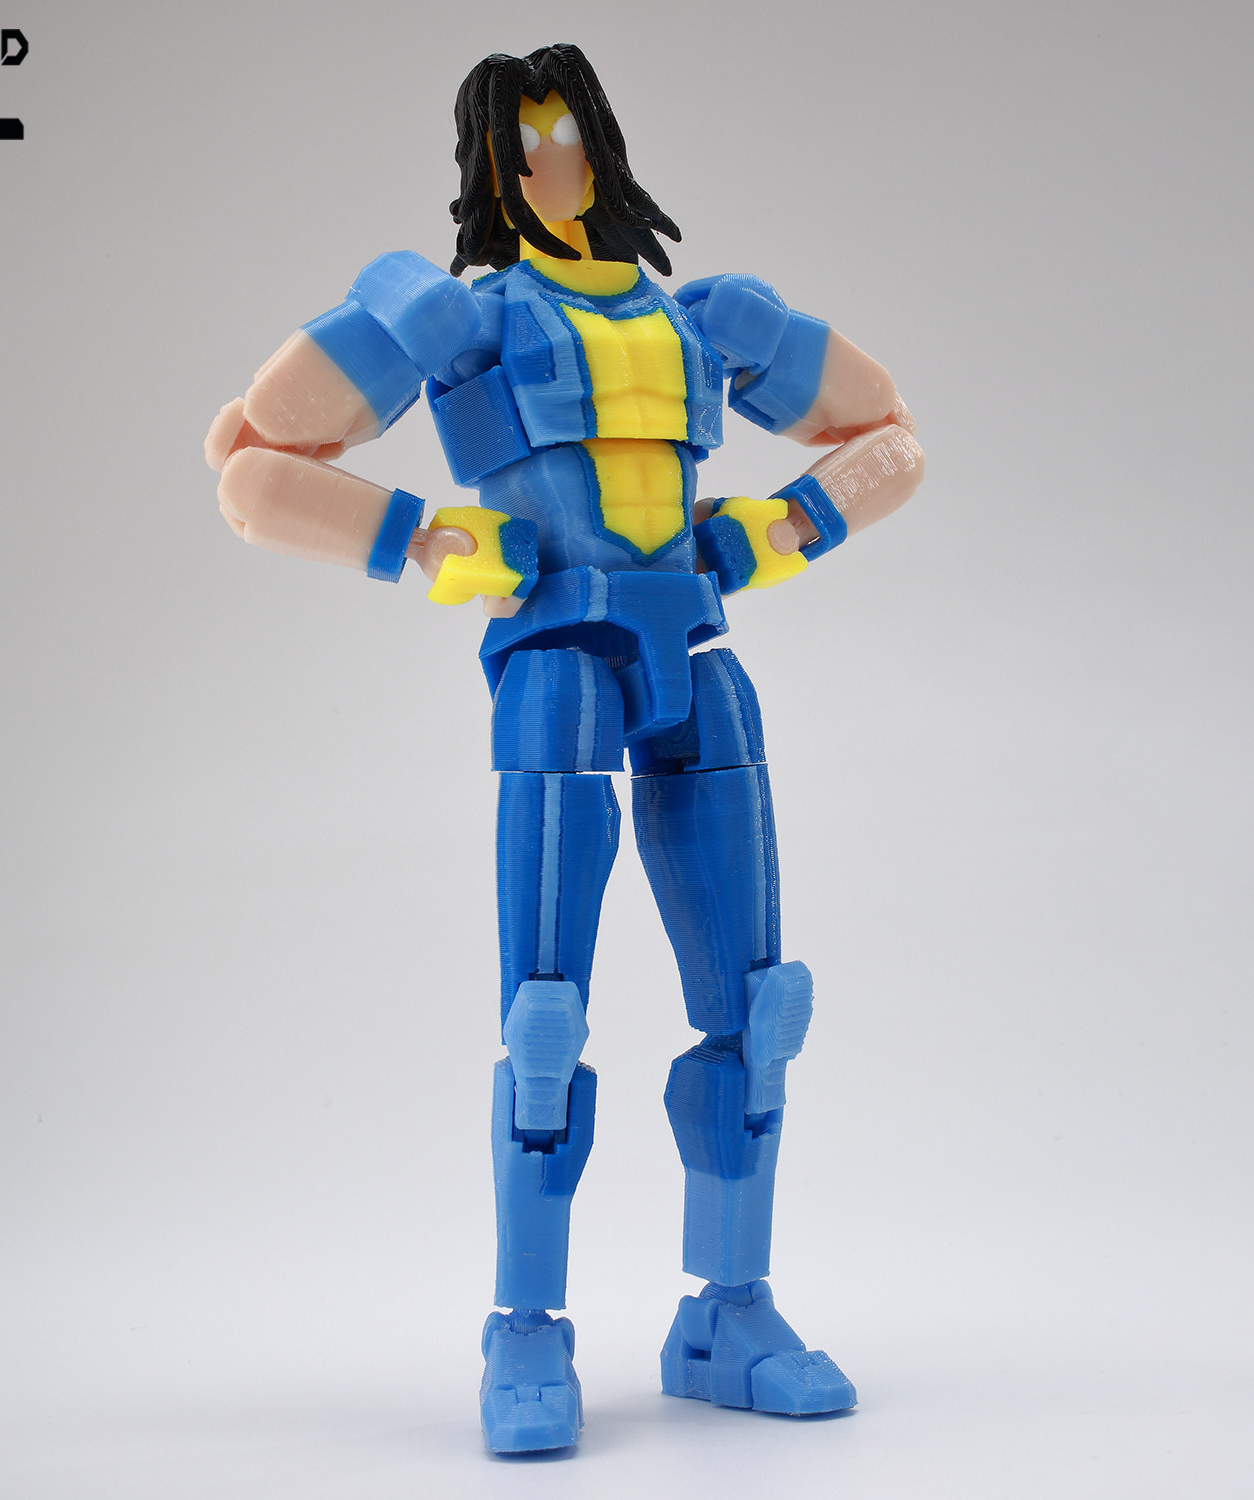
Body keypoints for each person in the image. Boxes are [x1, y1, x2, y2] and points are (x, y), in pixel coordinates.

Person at [205, 42, 924, 1454]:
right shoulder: (460, 319)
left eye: (569, 133)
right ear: (489, 163)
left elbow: (888, 437)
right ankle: (525, 1327)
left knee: (761, 1007)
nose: (552, 161)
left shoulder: (709, 319)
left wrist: (782, 528)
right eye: (525, 139)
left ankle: (728, 1313)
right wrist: (419, 540)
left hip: (695, 654)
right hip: (555, 665)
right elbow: (251, 464)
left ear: (603, 147)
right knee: (544, 1019)